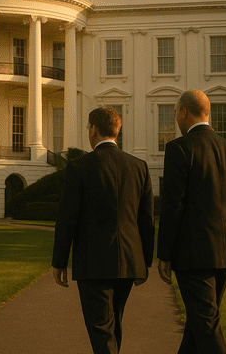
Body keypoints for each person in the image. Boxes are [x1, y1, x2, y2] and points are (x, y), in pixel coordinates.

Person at [157, 89, 226, 354]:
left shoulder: (179, 148)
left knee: (206, 325)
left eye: (176, 113)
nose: (176, 118)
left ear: (184, 112)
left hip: (194, 254)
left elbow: (173, 205)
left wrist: (164, 254)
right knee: (199, 325)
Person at [52, 107, 155, 354]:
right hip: (129, 261)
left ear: (93, 129)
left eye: (89, 128)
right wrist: (145, 263)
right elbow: (146, 219)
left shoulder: (80, 166)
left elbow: (68, 218)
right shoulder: (139, 166)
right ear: (117, 131)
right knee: (113, 324)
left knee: (101, 329)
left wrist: (59, 262)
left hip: (93, 262)